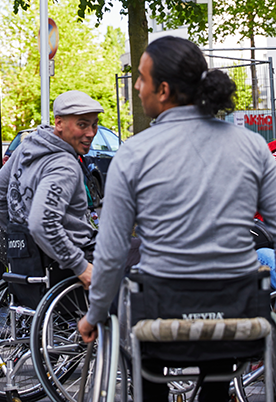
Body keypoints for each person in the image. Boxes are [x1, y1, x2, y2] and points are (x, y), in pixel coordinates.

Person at [78, 36, 276, 401]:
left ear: (163, 89)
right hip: (240, 312)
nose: (137, 86)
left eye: (141, 78)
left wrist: (94, 314)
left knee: (149, 356)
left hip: (161, 314)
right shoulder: (252, 147)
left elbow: (111, 249)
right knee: (219, 358)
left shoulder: (135, 154)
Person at [0, 90, 104, 288]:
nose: (91, 133)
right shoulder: (64, 165)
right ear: (59, 123)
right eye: (82, 125)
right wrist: (80, 266)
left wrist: (22, 236)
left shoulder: (25, 147)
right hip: (76, 253)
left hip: (27, 256)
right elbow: (42, 223)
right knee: (137, 255)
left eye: (94, 124)